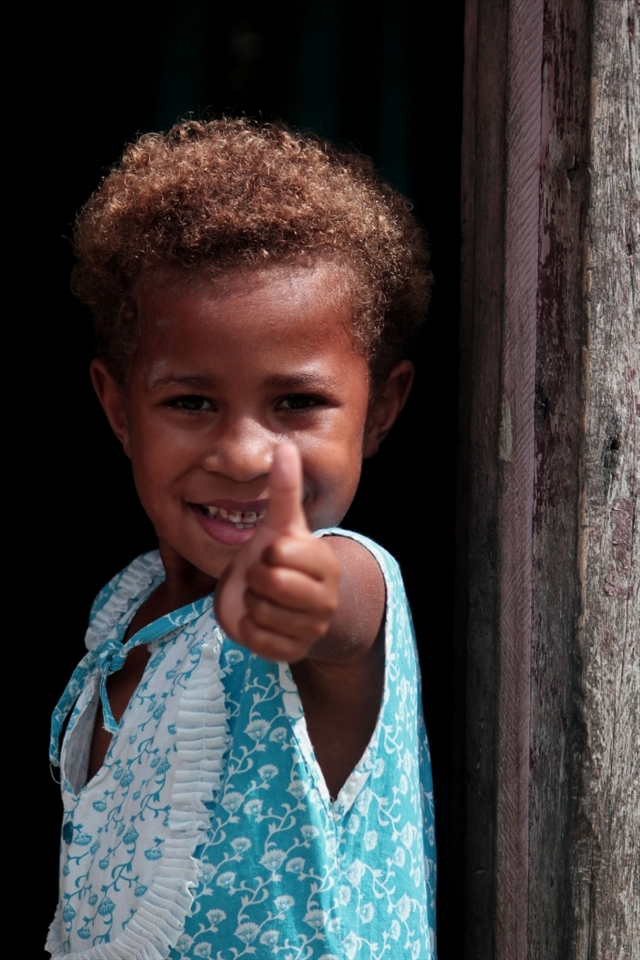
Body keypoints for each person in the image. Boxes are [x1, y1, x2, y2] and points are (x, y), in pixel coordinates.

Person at [47, 118, 437, 960]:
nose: (242, 454)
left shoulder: (352, 585)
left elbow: (337, 608)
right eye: (191, 402)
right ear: (119, 410)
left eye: (296, 405)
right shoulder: (122, 614)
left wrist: (295, 590)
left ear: (383, 409)